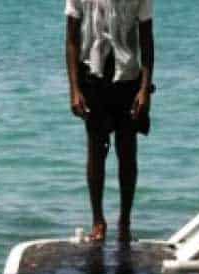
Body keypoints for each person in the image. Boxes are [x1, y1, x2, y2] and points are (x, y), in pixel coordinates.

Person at [66, 0, 155, 243]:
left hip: (128, 78)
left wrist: (144, 90)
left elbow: (147, 39)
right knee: (96, 151)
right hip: (92, 76)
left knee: (127, 152)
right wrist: (74, 89)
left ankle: (125, 222)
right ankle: (98, 221)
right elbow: (72, 39)